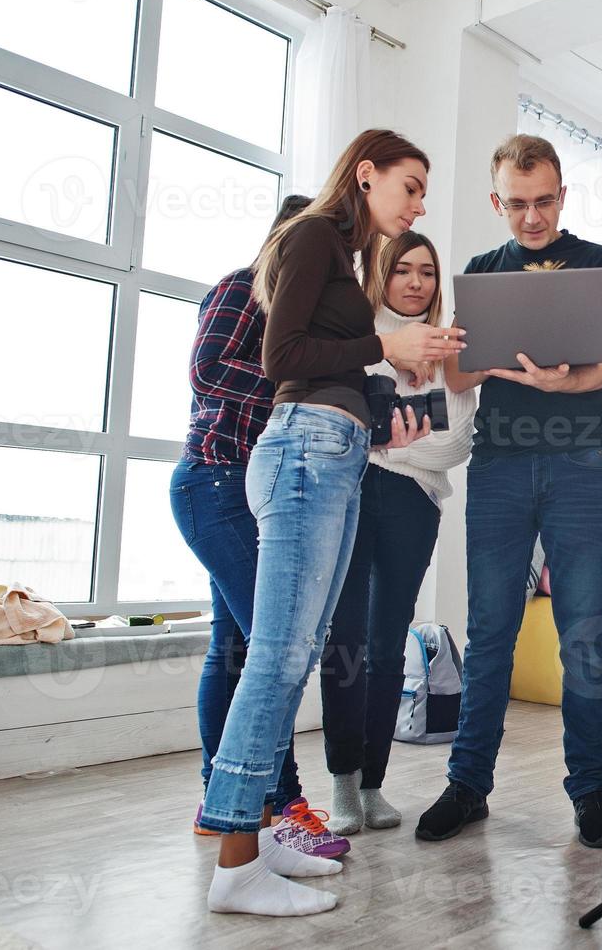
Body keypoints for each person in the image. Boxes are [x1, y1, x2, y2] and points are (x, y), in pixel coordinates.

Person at [200, 129, 464, 917]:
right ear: (366, 174)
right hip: (305, 451)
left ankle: (266, 833)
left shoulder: (344, 259)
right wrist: (384, 342)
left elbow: (332, 370)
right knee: (277, 658)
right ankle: (236, 861)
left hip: (338, 447)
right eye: (409, 185)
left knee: (297, 652)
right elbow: (282, 357)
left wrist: (391, 415)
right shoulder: (313, 234)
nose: (418, 203)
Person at [414, 134, 602, 849]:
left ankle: (590, 791)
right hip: (499, 465)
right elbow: (458, 379)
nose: (530, 217)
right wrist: (491, 364)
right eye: (515, 204)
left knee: (584, 636)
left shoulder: (600, 265)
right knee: (490, 632)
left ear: (562, 196)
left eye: (542, 202)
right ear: (495, 200)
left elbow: (600, 371)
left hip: (576, 465)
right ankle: (468, 784)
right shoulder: (480, 273)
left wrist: (558, 381)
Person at [172, 193, 348, 860]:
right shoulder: (241, 291)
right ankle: (280, 806)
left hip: (255, 497)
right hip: (212, 486)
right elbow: (207, 370)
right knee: (277, 650)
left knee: (237, 648)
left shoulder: (306, 323)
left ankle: (220, 805)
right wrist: (301, 382)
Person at [321, 231, 478, 835]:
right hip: (356, 492)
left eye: (427, 272)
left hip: (415, 504)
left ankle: (372, 784)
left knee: (390, 644)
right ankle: (340, 782)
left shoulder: (452, 351)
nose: (416, 282)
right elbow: (353, 431)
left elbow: (454, 444)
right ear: (383, 275)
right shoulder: (366, 343)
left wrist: (389, 443)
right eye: (403, 270)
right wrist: (387, 441)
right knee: (348, 639)